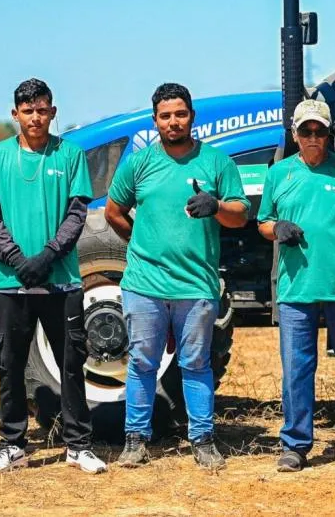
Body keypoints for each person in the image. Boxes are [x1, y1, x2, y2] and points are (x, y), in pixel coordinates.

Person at [105, 83, 249, 470]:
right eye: (165, 116)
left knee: (197, 363)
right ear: (155, 121)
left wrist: (216, 206)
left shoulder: (216, 162)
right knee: (141, 363)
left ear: (192, 117)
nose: (174, 122)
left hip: (196, 284)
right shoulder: (138, 163)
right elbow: (113, 211)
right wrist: (141, 241)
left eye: (180, 114)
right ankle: (135, 442)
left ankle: (202, 440)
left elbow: (240, 215)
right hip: (145, 284)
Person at [0, 78, 106, 475]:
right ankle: (13, 446)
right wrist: (18, 260)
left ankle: (78, 446)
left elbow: (77, 212)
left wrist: (48, 256)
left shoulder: (70, 154)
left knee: (71, 363)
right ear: (15, 114)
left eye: (42, 110)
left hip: (60, 280)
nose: (35, 117)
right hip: (9, 282)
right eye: (28, 110)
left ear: (53, 112)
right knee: (10, 365)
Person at [257, 99, 335, 473]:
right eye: (306, 131)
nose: (313, 137)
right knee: (297, 371)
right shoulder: (279, 173)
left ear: (330, 134)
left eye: (320, 131)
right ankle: (295, 444)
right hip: (297, 288)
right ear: (295, 134)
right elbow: (263, 222)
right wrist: (277, 229)